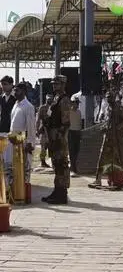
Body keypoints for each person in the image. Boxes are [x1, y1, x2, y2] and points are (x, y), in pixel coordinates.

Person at [41, 75, 71, 205]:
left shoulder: (64, 100)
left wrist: (58, 136)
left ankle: (61, 193)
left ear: (63, 85)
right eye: (53, 84)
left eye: (57, 84)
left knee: (61, 165)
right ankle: (57, 191)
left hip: (58, 136)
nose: (54, 86)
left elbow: (65, 123)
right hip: (52, 135)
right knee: (56, 164)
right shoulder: (56, 99)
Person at [91, 91, 123, 188]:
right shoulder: (108, 108)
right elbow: (107, 121)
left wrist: (119, 127)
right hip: (108, 137)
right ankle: (98, 179)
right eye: (107, 97)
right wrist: (104, 127)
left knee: (122, 157)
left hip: (118, 138)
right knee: (102, 158)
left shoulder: (120, 108)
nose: (108, 99)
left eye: (110, 97)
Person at [8, 83, 35, 188]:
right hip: (13, 138)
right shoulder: (16, 104)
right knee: (14, 166)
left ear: (23, 91)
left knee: (25, 166)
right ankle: (16, 189)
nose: (14, 92)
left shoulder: (28, 106)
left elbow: (31, 126)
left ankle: (24, 191)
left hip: (22, 139)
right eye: (14, 90)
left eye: (17, 90)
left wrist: (30, 142)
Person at [36, 94, 52, 168]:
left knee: (52, 146)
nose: (49, 100)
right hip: (44, 129)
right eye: (48, 99)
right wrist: (37, 129)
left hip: (52, 129)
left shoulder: (54, 107)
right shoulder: (42, 108)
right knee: (43, 146)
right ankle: (43, 161)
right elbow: (38, 119)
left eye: (50, 99)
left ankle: (53, 161)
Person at [68, 97, 82, 174]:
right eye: (76, 103)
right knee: (71, 150)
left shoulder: (79, 112)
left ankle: (74, 166)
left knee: (77, 150)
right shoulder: (69, 111)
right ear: (73, 103)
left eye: (78, 103)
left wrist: (80, 132)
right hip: (71, 132)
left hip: (77, 132)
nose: (77, 105)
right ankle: (73, 168)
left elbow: (80, 123)